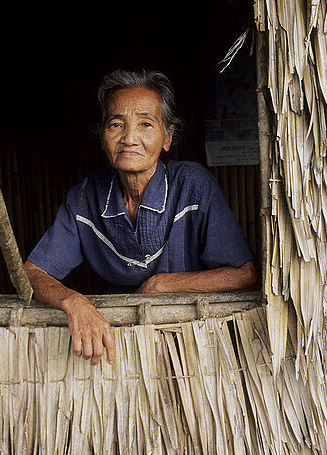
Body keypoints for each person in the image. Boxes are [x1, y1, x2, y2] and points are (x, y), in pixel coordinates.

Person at [24, 69, 259, 366]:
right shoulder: (86, 197)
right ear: (102, 136)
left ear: (167, 137)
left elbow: (246, 274)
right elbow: (32, 273)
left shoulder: (192, 185)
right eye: (116, 124)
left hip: (193, 347)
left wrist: (163, 285)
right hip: (114, 350)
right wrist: (74, 301)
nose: (129, 138)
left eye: (146, 124)